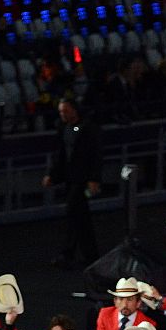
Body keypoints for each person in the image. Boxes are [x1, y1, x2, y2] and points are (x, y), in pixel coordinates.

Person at [44, 97, 102, 267]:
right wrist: (52, 175)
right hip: (71, 178)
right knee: (81, 217)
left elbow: (95, 156)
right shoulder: (63, 128)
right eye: (61, 111)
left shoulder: (88, 128)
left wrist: (94, 178)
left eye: (65, 111)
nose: (62, 114)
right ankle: (90, 254)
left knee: (74, 213)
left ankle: (68, 253)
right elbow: (60, 155)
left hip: (83, 180)